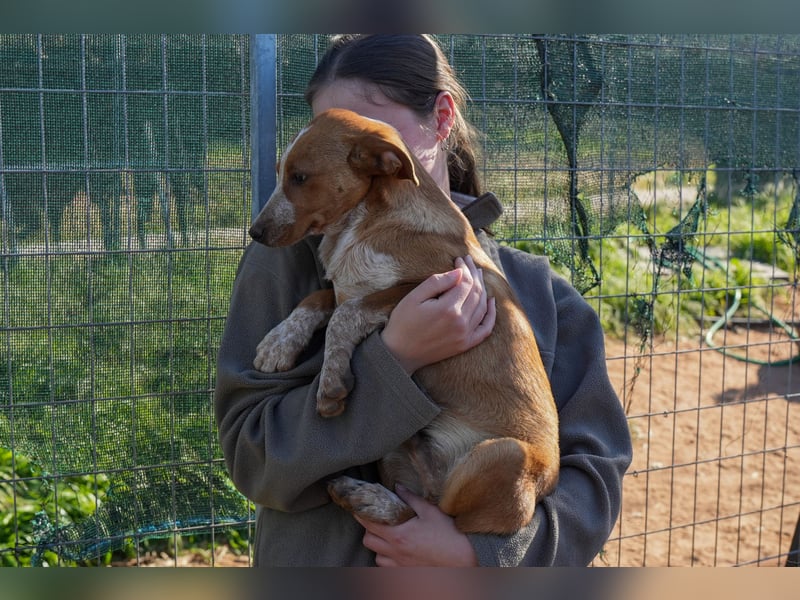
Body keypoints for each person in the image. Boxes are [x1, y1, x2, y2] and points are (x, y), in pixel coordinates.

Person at [214, 34, 632, 567]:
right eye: (328, 129)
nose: (352, 151)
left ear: (441, 117)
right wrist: (395, 357)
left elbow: (594, 481)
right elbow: (255, 461)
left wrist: (480, 553)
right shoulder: (289, 265)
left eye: (365, 131)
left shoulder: (542, 296)